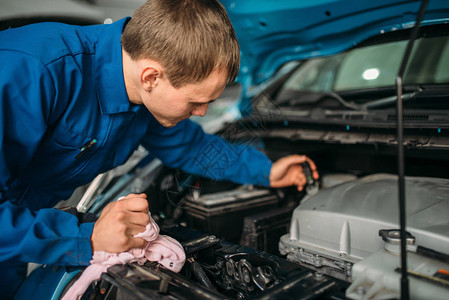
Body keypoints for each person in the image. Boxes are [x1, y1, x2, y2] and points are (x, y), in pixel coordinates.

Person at [0, 0, 318, 298]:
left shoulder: (142, 94)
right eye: (196, 101)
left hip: (17, 233)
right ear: (151, 76)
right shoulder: (30, 72)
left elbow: (191, 147)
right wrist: (85, 237)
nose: (203, 113)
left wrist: (267, 171)